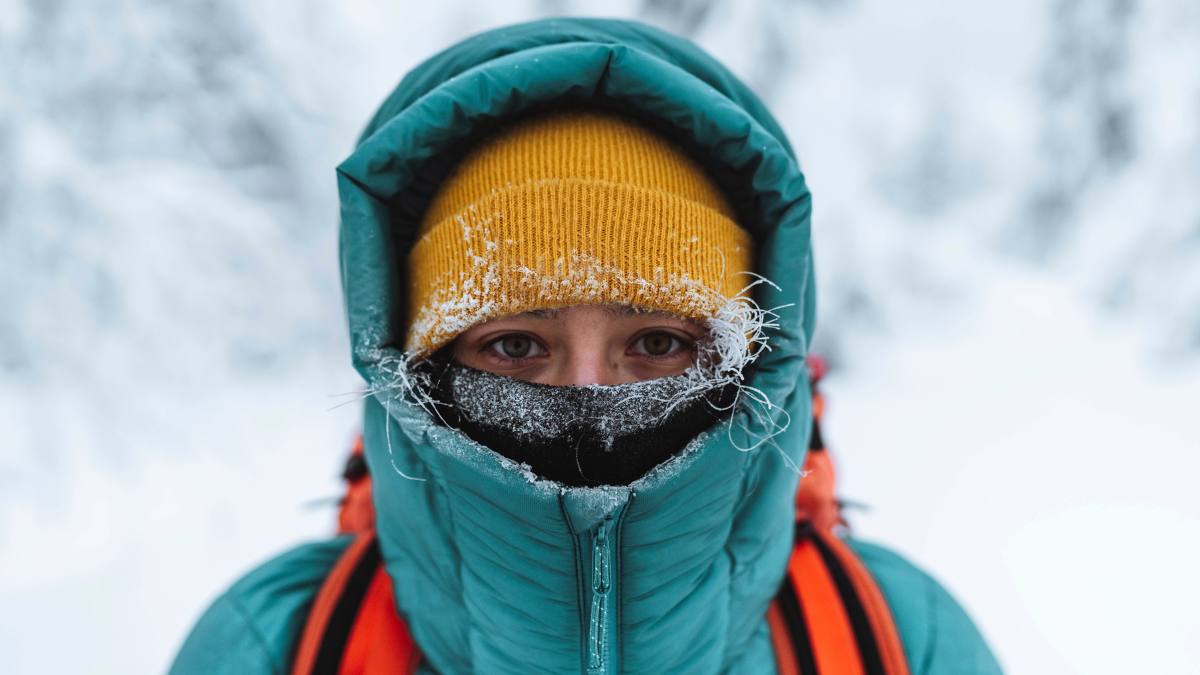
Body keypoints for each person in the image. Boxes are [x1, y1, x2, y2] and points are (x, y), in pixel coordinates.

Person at [169, 18, 1003, 675]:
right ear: (415, 372)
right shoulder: (274, 647)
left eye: (657, 339)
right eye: (515, 343)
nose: (592, 393)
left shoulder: (897, 642)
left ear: (750, 360)